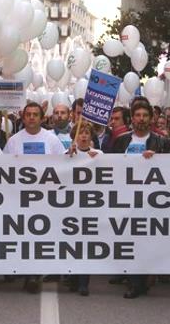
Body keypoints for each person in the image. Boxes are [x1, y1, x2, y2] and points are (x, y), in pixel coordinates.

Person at [110, 99, 170, 298]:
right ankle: (135, 282)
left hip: (152, 202)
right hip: (127, 201)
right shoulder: (121, 141)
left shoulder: (161, 141)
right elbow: (110, 167)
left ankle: (144, 277)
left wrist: (158, 159)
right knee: (130, 241)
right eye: (137, 115)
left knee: (147, 241)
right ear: (132, 118)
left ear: (151, 118)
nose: (141, 119)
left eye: (145, 115)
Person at [4, 102, 66, 294]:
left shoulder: (52, 139)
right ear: (23, 117)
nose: (31, 118)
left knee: (41, 236)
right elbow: (3, 166)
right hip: (20, 198)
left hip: (46, 198)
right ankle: (28, 272)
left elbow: (64, 165)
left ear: (42, 117)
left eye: (35, 114)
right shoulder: (13, 140)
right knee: (24, 236)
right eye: (28, 114)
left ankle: (34, 274)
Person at [68, 120, 103, 296]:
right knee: (71, 245)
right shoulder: (66, 154)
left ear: (91, 137)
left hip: (90, 208)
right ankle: (72, 279)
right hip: (69, 208)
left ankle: (84, 282)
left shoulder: (99, 154)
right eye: (80, 133)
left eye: (86, 133)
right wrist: (67, 157)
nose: (83, 136)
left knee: (85, 246)